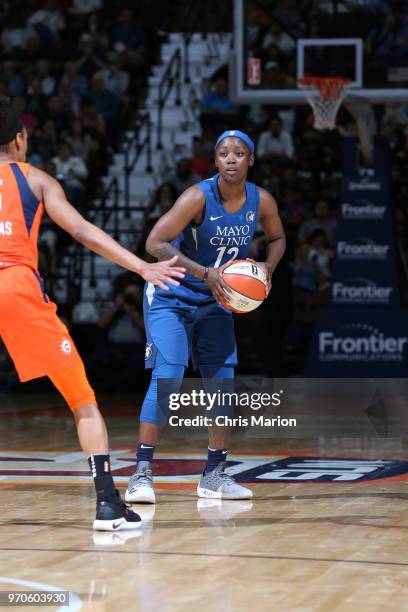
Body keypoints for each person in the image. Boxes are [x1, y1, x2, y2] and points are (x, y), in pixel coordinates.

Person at [0, 96, 185, 530]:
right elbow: (82, 230)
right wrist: (142, 266)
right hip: (13, 287)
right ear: (21, 138)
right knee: (82, 400)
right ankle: (107, 504)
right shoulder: (36, 180)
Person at [126, 129, 285, 503]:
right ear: (215, 161)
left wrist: (267, 268)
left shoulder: (261, 201)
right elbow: (154, 243)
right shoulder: (197, 196)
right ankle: (141, 473)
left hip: (217, 301)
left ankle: (214, 475)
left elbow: (277, 238)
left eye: (239, 153)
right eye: (224, 153)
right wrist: (204, 274)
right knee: (168, 378)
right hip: (172, 295)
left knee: (222, 385)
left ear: (251, 160)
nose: (231, 158)